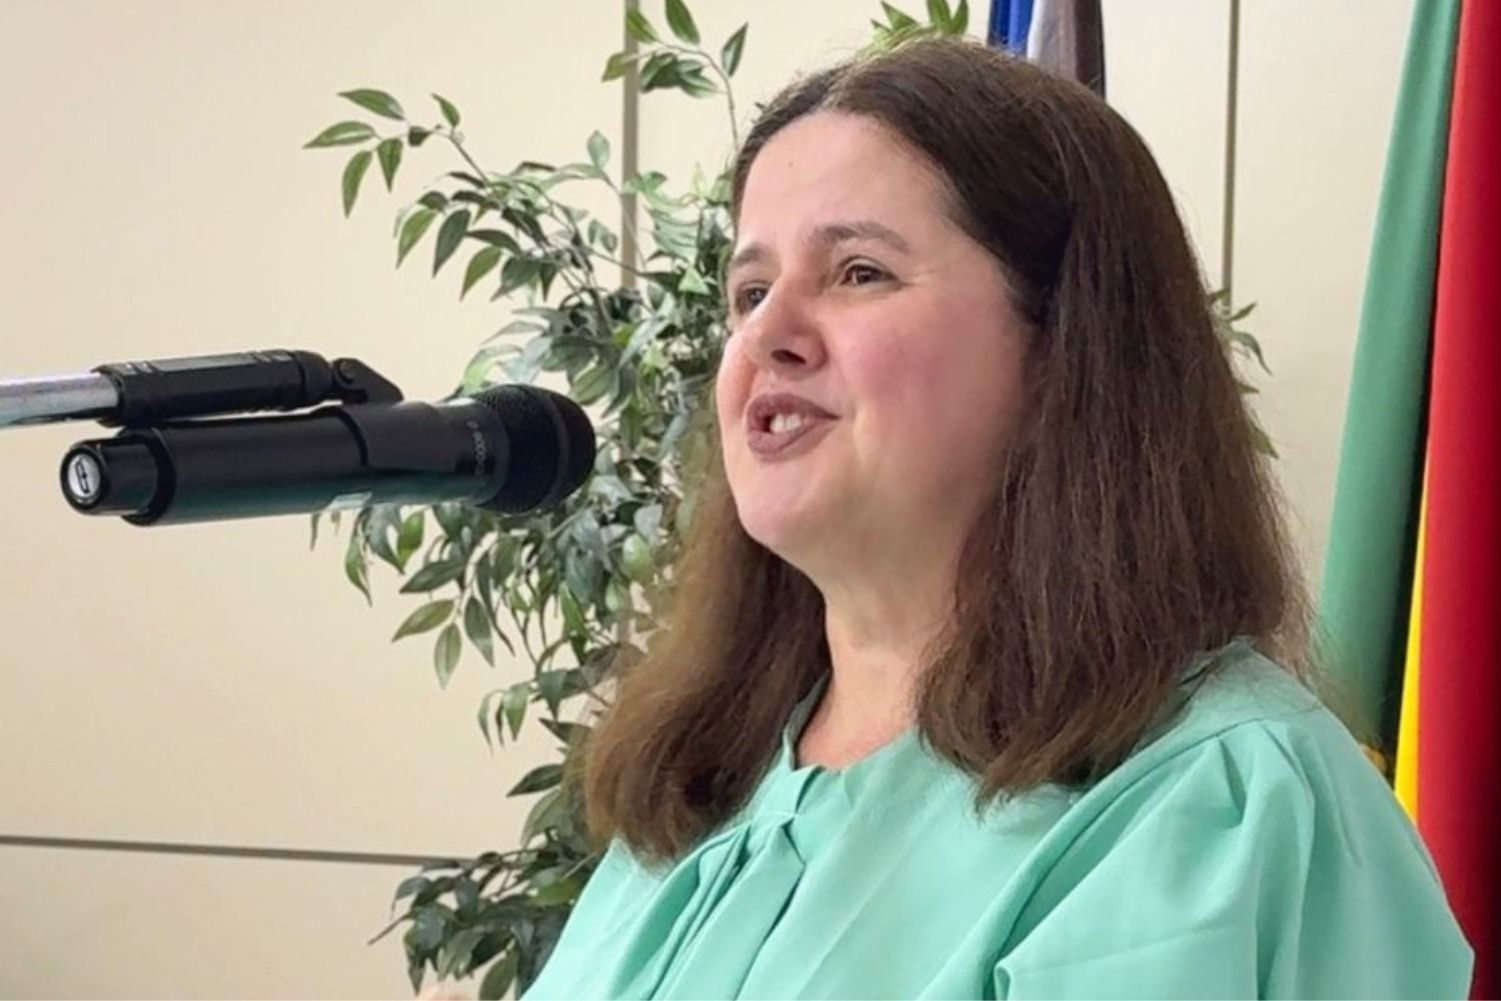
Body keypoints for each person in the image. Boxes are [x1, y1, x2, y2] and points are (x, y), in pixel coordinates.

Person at [522, 36, 1473, 999]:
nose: (766, 333)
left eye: (858, 271)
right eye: (751, 291)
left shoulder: (1218, 801)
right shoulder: (703, 785)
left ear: (1065, 340)